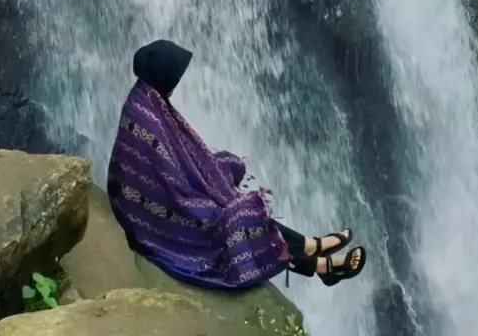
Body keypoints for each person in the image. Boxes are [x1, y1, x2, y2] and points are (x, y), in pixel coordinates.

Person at [107, 38, 366, 290]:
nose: (178, 82)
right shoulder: (148, 116)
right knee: (235, 216)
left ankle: (312, 248)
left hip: (153, 200)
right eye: (176, 77)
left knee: (226, 185)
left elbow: (173, 161)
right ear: (164, 78)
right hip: (149, 218)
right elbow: (165, 177)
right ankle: (321, 264)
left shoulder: (146, 98)